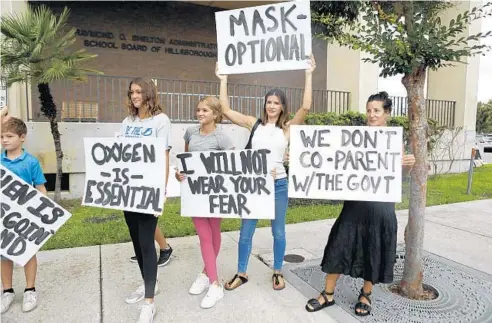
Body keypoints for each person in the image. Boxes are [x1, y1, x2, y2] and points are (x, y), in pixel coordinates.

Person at [304, 91, 416, 316]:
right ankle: (328, 293)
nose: (371, 115)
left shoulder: (394, 141)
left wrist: (408, 164)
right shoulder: (354, 136)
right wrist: (301, 158)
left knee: (373, 250)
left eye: (376, 111)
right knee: (339, 244)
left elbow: (399, 178)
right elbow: (330, 161)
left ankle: (366, 294)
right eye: (368, 110)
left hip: (381, 208)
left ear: (387, 113)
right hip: (355, 205)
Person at [215, 54, 316, 291]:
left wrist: (309, 74)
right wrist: (223, 78)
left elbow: (306, 107)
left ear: (282, 107)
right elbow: (226, 110)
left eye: (276, 102)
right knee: (245, 232)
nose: (272, 106)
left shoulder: (288, 128)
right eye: (269, 102)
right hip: (254, 186)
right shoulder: (255, 124)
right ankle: (241, 272)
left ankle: (278, 270)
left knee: (278, 231)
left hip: (278, 185)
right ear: (265, 104)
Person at [119, 77, 171, 323]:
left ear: (149, 93)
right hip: (127, 189)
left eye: (139, 91)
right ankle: (149, 283)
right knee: (137, 242)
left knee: (147, 242)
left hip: (149, 188)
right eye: (132, 92)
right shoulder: (127, 122)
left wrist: (161, 191)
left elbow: (164, 156)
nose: (134, 96)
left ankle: (149, 302)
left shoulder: (161, 121)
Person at [175, 96, 235, 308]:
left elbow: (234, 166)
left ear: (216, 114)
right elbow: (186, 161)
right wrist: (179, 175)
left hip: (216, 194)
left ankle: (206, 275)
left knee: (213, 233)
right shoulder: (190, 132)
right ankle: (214, 282)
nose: (200, 113)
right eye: (198, 110)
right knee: (203, 236)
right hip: (195, 194)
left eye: (205, 111)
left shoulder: (222, 138)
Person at [1, 117, 47, 314]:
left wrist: (42, 211)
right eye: (1, 136)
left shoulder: (31, 162)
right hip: (4, 217)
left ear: (22, 138)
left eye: (9, 136)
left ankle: (30, 289)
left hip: (25, 218)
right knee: (3, 254)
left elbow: (40, 188)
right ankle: (7, 291)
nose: (4, 140)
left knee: (28, 253)